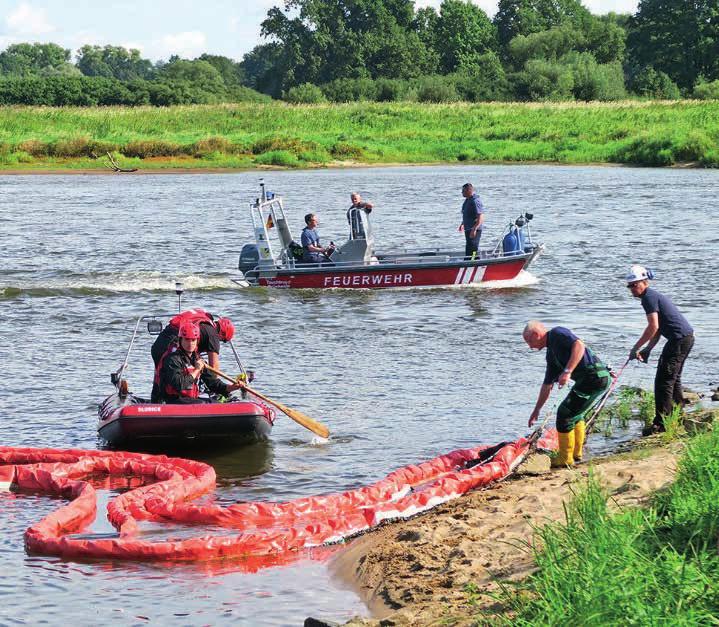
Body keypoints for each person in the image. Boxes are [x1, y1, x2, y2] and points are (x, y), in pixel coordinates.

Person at [524, 321, 611, 467]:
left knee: (565, 414)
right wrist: (536, 410)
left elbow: (579, 345)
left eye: (529, 341)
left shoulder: (557, 333)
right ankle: (576, 454)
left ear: (536, 334)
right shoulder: (551, 355)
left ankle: (565, 459)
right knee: (576, 413)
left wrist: (567, 371)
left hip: (595, 377)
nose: (529, 346)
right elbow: (547, 385)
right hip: (591, 380)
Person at [626, 265, 694, 435]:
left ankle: (661, 424)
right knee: (673, 379)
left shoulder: (649, 297)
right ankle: (677, 416)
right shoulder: (650, 296)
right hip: (684, 338)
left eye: (635, 284)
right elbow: (658, 329)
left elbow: (653, 326)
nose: (632, 288)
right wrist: (648, 348)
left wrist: (636, 347)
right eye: (630, 285)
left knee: (663, 381)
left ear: (644, 282)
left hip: (679, 340)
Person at [150, 308, 235, 401]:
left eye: (193, 340)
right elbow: (180, 384)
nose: (190, 344)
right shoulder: (172, 359)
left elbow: (213, 383)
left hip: (161, 341)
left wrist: (233, 387)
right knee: (165, 376)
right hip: (175, 401)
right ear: (180, 340)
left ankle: (156, 400)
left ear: (197, 340)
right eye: (187, 339)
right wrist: (197, 370)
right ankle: (159, 403)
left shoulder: (195, 359)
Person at [458, 183, 485, 258]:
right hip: (468, 229)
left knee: (473, 248)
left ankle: (474, 261)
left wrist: (474, 229)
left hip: (474, 230)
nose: (462, 193)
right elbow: (467, 214)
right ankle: (468, 261)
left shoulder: (475, 201)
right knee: (469, 247)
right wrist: (462, 224)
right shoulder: (467, 200)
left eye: (463, 191)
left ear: (469, 190)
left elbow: (481, 216)